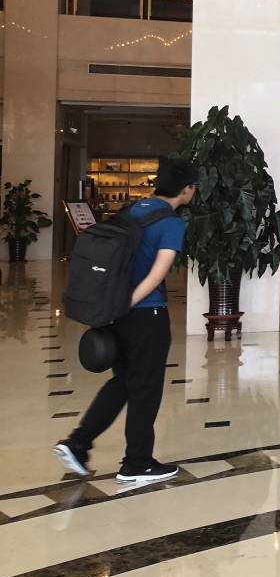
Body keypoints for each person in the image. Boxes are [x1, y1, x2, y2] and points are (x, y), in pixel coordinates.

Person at [53, 158, 198, 485]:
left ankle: (77, 443)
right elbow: (157, 274)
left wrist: (114, 308)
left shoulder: (132, 210)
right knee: (146, 388)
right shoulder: (171, 223)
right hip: (145, 314)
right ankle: (137, 463)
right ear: (187, 189)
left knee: (124, 382)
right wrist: (125, 304)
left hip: (115, 313)